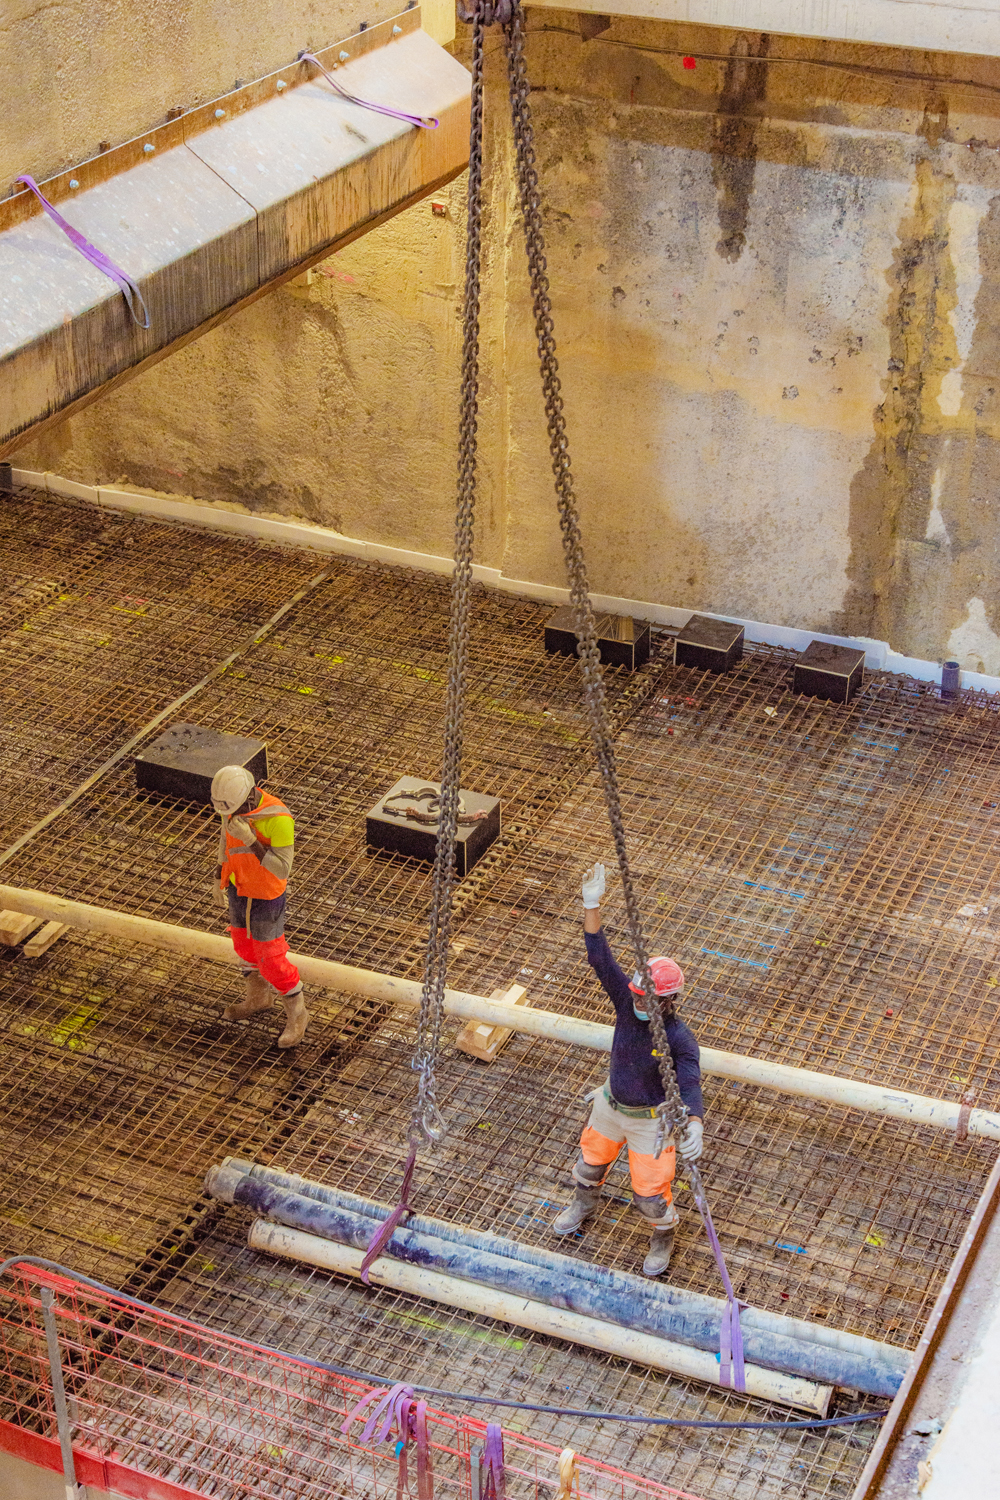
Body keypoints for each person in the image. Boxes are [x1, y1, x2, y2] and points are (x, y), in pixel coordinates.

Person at [552, 862, 704, 1276]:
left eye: (647, 999)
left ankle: (663, 1236)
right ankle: (582, 1206)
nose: (637, 1003)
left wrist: (693, 1124)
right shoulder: (626, 1001)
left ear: (668, 1001)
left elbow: (688, 1081)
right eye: (636, 995)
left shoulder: (678, 1039)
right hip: (610, 1104)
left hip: (649, 1122)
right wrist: (592, 904)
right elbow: (599, 956)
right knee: (589, 1167)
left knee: (649, 1197)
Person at [210, 765, 308, 1048]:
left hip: (265, 895)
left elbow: (281, 869)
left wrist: (251, 840)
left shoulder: (278, 819)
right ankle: (258, 998)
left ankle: (298, 1014)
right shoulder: (232, 809)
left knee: (271, 957)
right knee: (243, 945)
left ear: (248, 797)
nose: (230, 816)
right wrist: (218, 875)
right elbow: (224, 841)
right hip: (239, 887)